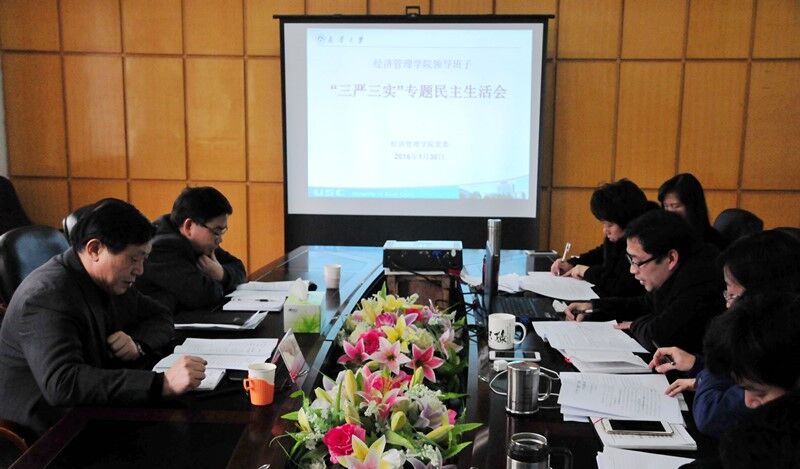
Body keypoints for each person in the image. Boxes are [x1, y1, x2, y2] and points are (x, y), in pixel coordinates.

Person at [0, 199, 206, 438]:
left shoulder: (108, 278)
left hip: (95, 406)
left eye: (144, 259)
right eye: (133, 259)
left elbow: (160, 315)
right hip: (52, 432)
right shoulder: (46, 296)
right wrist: (162, 384)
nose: (140, 270)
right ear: (95, 249)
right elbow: (64, 383)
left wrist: (137, 344)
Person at [649, 230, 800, 437]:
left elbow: (711, 415)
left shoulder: (778, 349)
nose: (728, 304)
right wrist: (697, 364)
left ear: (759, 294)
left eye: (732, 294)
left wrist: (709, 370)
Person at [565, 210, 725, 353]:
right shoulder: (677, 271)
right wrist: (595, 307)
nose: (632, 270)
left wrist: (634, 325)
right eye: (630, 260)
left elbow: (658, 336)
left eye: (637, 261)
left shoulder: (701, 280)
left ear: (671, 258)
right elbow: (646, 304)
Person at [137, 186, 246, 313]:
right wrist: (220, 281)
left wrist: (221, 273)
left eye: (222, 231)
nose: (220, 239)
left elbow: (239, 267)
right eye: (217, 232)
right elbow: (204, 295)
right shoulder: (161, 248)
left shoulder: (200, 241)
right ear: (189, 226)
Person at [549, 179, 654, 297]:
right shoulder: (618, 239)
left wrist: (587, 271)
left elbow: (621, 286)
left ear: (628, 221)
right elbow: (600, 254)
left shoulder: (644, 244)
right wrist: (571, 263)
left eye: (610, 225)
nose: (605, 230)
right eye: (603, 223)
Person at [658, 173, 726, 250]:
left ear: (692, 206)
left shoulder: (712, 241)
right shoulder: (662, 235)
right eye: (666, 206)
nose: (669, 212)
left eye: (675, 206)